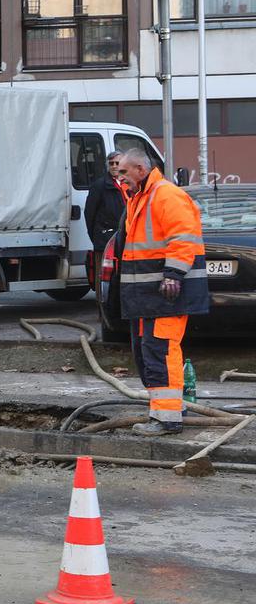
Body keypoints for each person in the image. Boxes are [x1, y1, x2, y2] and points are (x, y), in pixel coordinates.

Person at [115, 148, 208, 436]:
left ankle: (167, 419)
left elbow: (183, 237)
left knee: (161, 352)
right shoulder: (140, 198)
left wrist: (173, 274)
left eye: (124, 171)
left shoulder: (166, 195)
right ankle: (168, 409)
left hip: (166, 294)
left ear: (141, 170)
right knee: (147, 353)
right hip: (147, 296)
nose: (119, 177)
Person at [85, 151, 126, 257]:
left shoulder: (129, 184)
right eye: (111, 163)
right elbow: (89, 214)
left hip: (124, 241)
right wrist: (96, 238)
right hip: (105, 241)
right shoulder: (99, 185)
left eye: (117, 163)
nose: (114, 166)